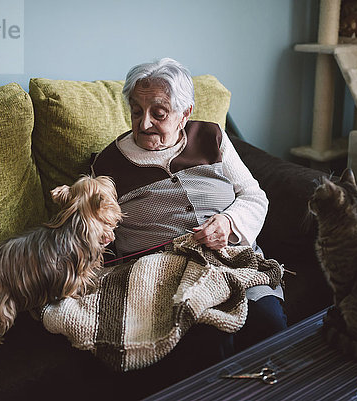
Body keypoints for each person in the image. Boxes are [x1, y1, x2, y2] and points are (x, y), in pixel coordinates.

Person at [92, 57, 286, 366]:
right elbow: (99, 235)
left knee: (269, 324)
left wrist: (229, 222)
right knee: (206, 336)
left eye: (158, 113)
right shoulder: (107, 164)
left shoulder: (211, 137)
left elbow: (254, 196)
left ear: (185, 114)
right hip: (161, 276)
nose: (144, 125)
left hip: (233, 260)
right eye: (136, 112)